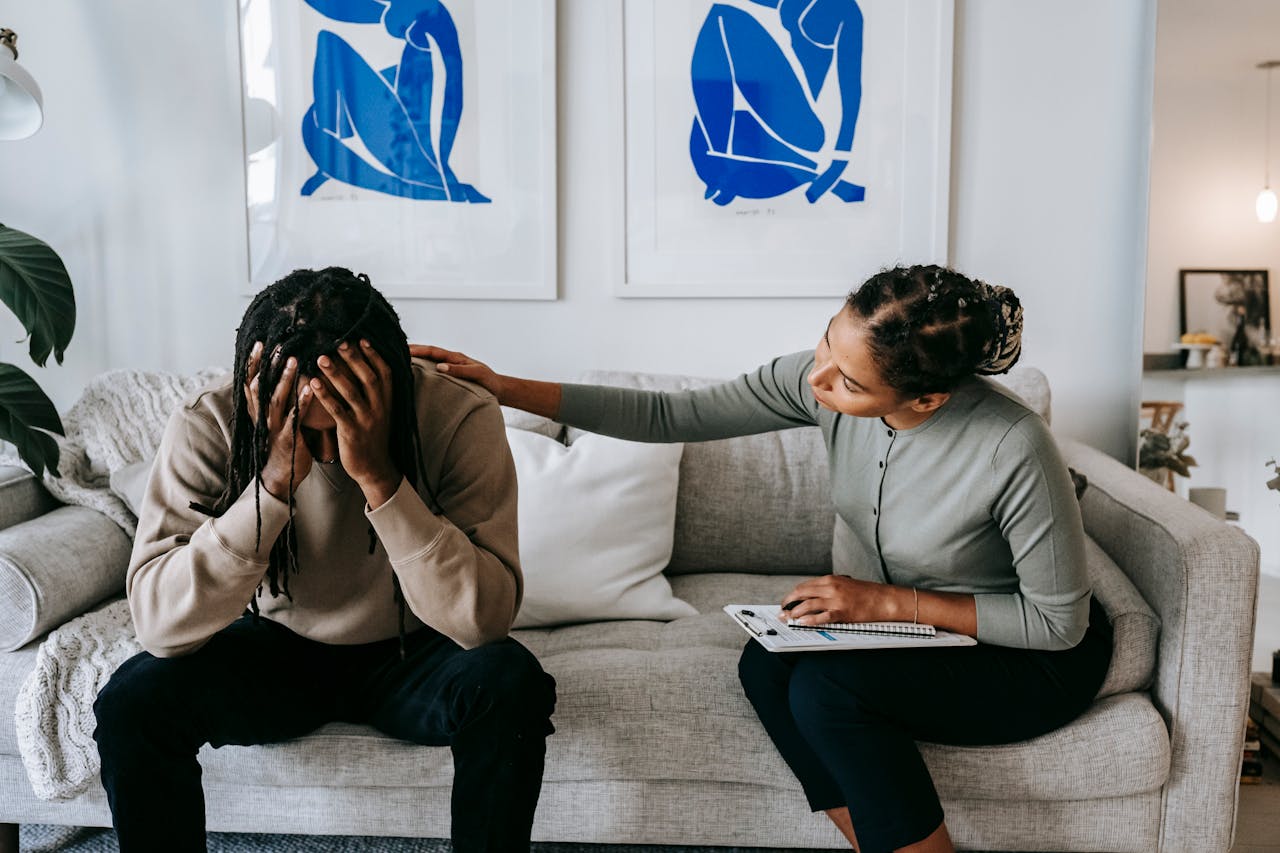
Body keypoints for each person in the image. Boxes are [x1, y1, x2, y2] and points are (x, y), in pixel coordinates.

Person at [409, 264, 1112, 853]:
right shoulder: (822, 380)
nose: (820, 380)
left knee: (825, 692)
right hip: (919, 636)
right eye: (827, 344)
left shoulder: (1012, 443)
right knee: (766, 661)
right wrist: (503, 387)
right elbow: (670, 416)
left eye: (850, 383)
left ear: (927, 397)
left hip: (1025, 655)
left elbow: (1057, 624)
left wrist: (886, 603)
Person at [94, 267, 555, 853]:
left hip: (417, 647)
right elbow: (160, 626)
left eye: (343, 427)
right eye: (310, 430)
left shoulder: (458, 413)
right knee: (133, 699)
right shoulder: (211, 420)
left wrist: (381, 479)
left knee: (511, 682)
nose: (329, 451)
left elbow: (484, 622)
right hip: (277, 646)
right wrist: (272, 486)